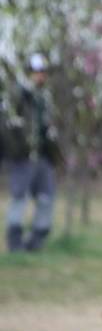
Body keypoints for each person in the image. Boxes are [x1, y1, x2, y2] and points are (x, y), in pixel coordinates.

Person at [1, 54, 62, 252]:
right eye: (36, 72)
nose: (40, 76)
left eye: (43, 72)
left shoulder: (46, 98)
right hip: (23, 157)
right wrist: (16, 150)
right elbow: (9, 126)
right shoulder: (18, 94)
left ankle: (37, 240)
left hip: (43, 157)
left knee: (47, 198)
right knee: (19, 198)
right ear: (29, 73)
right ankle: (15, 242)